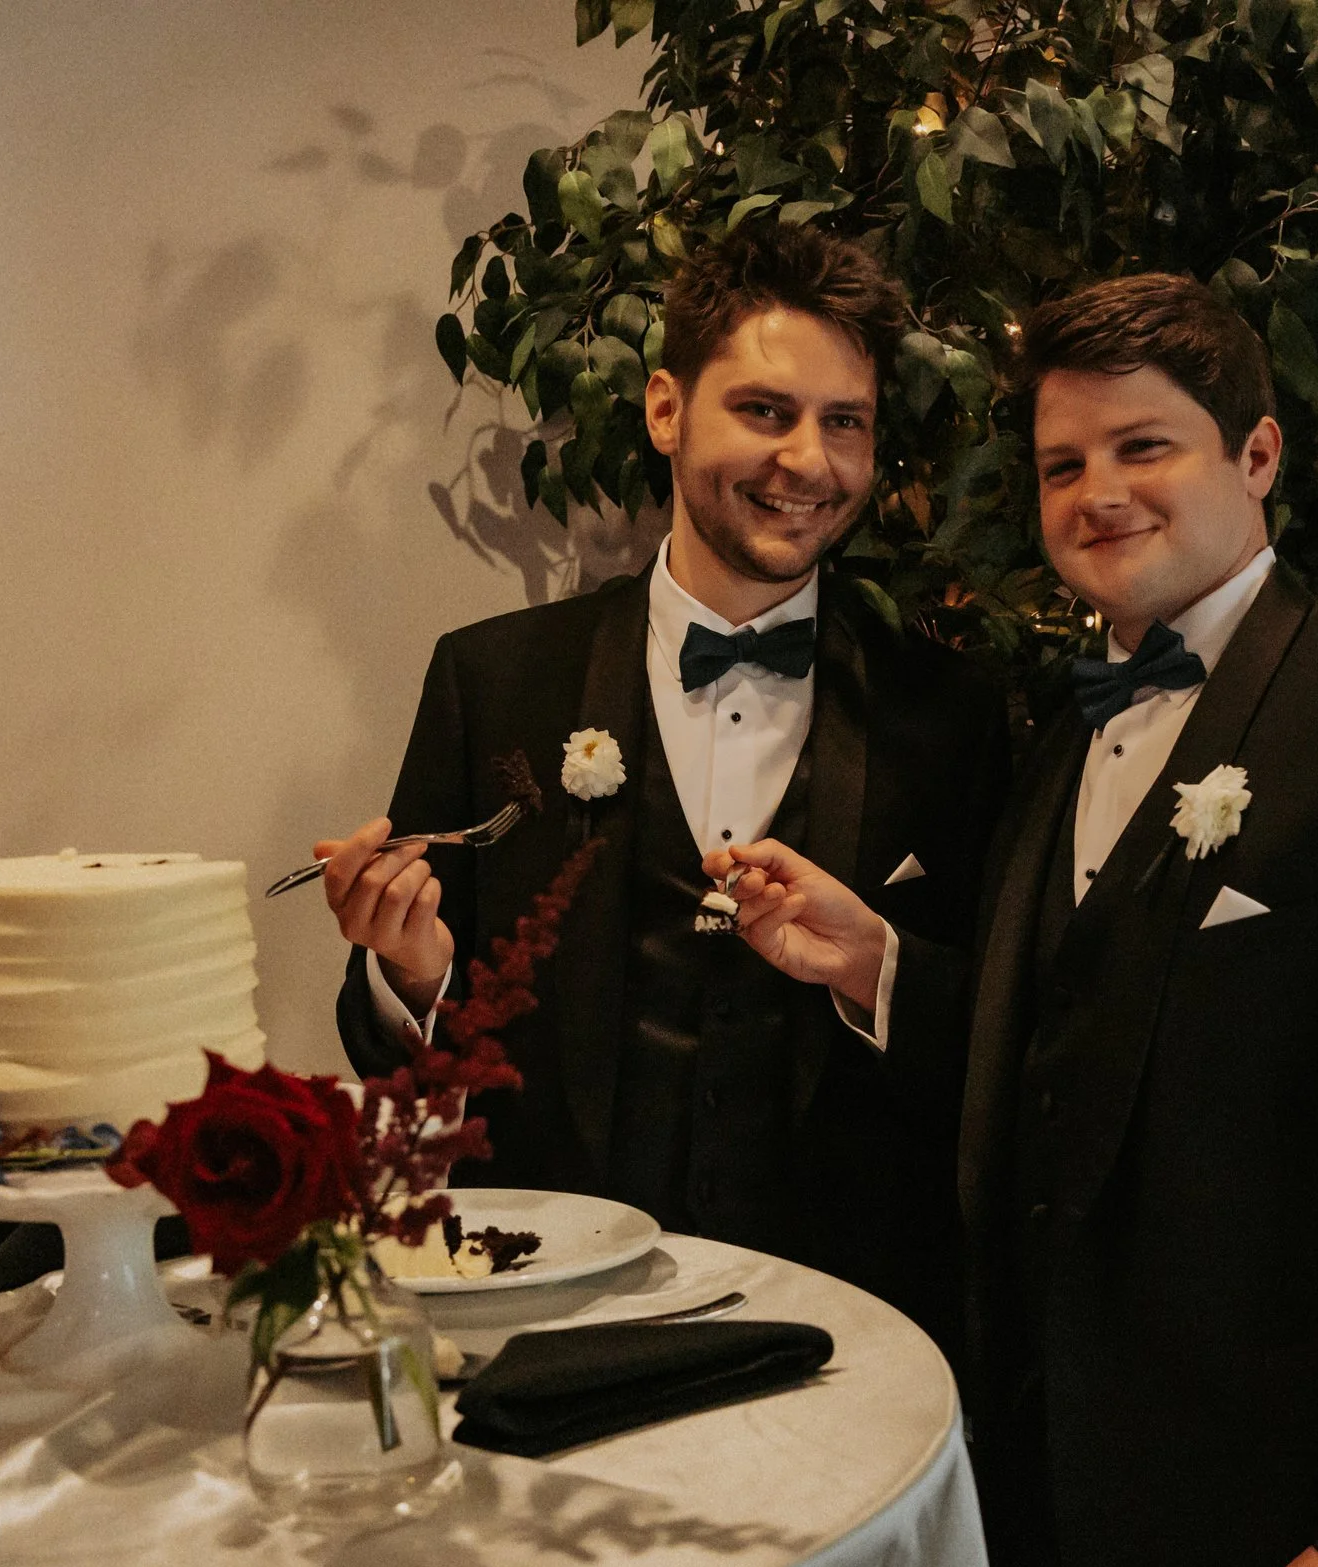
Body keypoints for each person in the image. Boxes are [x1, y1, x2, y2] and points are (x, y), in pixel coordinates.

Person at [709, 273, 1318, 1567]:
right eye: (1063, 464)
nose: (1097, 492)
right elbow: (1083, 1049)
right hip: (1074, 1524)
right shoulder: (1059, 736)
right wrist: (884, 968)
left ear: (1256, 454)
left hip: (1312, 1536)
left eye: (1142, 447)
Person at [318, 223, 1009, 1350]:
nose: (810, 462)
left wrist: (878, 968)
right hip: (548, 1310)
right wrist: (412, 974)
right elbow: (405, 1045)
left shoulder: (952, 713)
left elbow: (992, 1041)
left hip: (847, 1327)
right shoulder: (491, 678)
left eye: (846, 422)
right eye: (766, 410)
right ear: (664, 408)